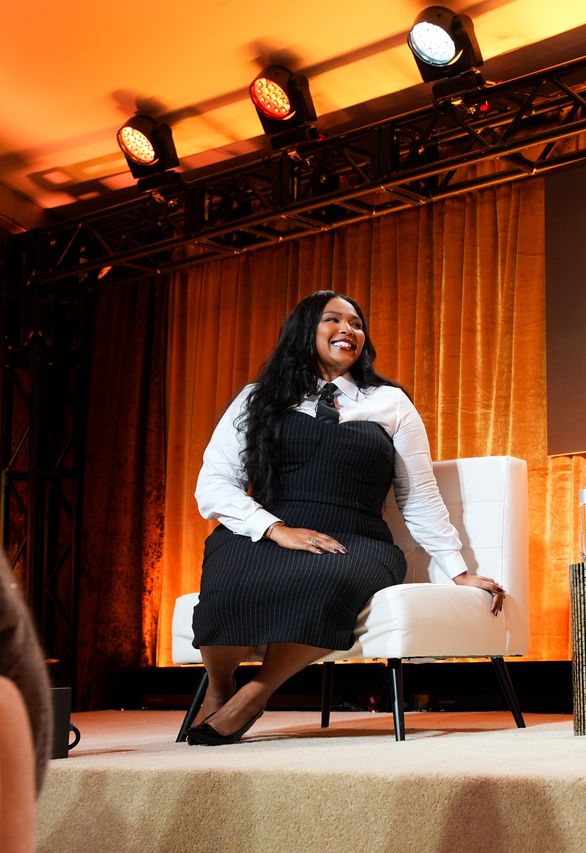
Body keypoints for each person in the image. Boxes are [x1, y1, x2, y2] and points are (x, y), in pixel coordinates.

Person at [186, 290, 505, 745]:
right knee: (231, 569)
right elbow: (215, 482)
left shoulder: (391, 403)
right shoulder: (257, 398)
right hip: (271, 526)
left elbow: (417, 494)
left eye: (356, 323)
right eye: (332, 320)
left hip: (358, 537)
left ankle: (256, 693)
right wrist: (275, 529)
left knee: (331, 575)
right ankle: (220, 687)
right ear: (304, 331)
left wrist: (458, 571)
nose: (348, 330)